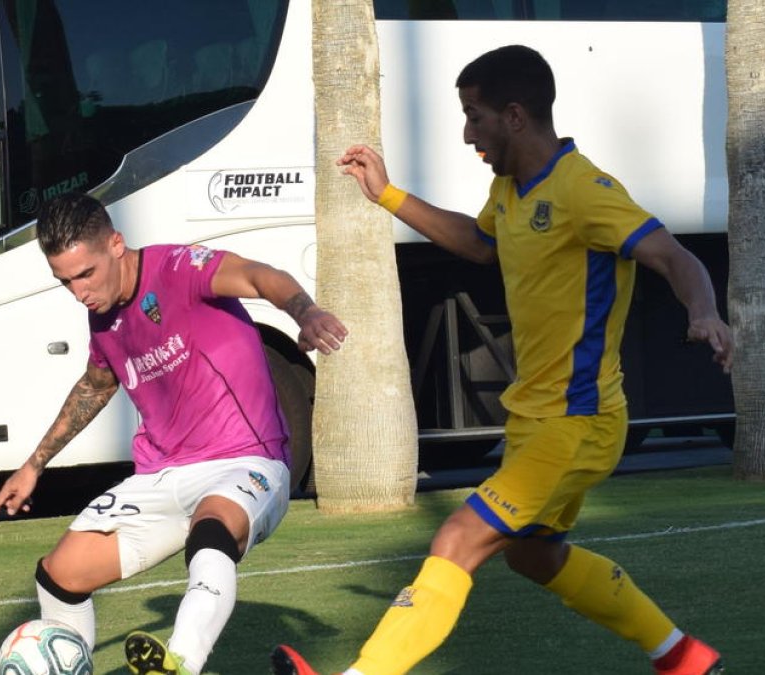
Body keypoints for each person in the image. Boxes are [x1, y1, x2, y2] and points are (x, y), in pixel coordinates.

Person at [271, 45, 733, 675]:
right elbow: (480, 244)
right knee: (534, 556)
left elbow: (675, 257)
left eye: (474, 116)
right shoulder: (511, 188)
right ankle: (682, 656)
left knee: (457, 539)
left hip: (577, 422)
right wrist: (387, 195)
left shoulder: (586, 190)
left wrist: (702, 311)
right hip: (536, 420)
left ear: (515, 115)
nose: (467, 133)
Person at [0, 192, 347, 675]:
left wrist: (305, 313)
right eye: (65, 281)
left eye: (85, 274)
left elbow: (262, 276)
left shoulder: (179, 269)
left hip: (246, 459)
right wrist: (34, 464)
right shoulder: (102, 316)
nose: (78, 292)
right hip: (161, 475)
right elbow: (96, 385)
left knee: (212, 534)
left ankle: (179, 663)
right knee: (60, 575)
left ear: (116, 245)